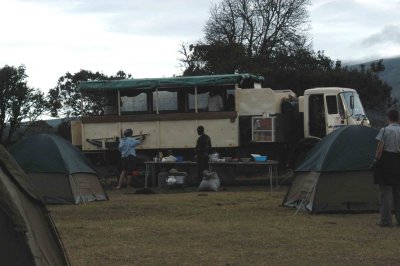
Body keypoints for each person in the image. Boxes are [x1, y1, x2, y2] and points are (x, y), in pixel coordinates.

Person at [374, 109, 400, 227]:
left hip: (387, 163)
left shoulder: (384, 131)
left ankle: (386, 220)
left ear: (388, 118)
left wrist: (376, 160)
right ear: (398, 118)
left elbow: (380, 149)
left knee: (386, 193)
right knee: (398, 193)